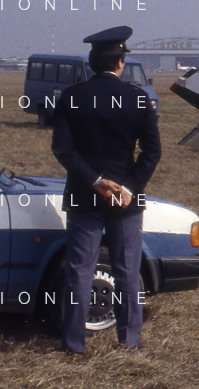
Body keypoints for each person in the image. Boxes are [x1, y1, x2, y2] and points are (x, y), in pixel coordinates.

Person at [51, 26, 161, 354]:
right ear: (120, 62)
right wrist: (129, 188)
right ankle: (129, 342)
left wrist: (96, 181)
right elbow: (152, 152)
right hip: (126, 199)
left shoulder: (71, 96)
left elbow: (63, 149)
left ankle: (73, 344)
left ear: (91, 62)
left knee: (80, 271)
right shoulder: (139, 97)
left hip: (84, 195)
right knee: (127, 271)